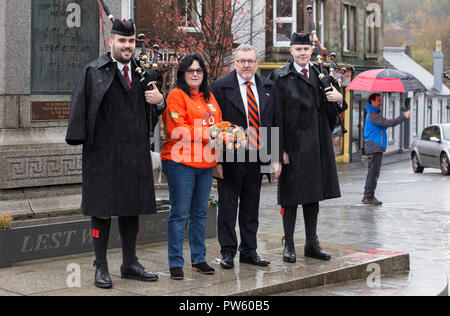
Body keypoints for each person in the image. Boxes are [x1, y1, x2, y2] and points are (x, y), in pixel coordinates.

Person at [65, 19, 165, 289]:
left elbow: (152, 112)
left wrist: (161, 103)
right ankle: (101, 265)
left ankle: (130, 263)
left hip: (134, 152)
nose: (127, 46)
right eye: (122, 41)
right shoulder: (93, 71)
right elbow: (80, 108)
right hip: (103, 155)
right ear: (111, 42)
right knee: (103, 210)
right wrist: (81, 141)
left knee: (131, 208)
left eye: (131, 41)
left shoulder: (144, 73)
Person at [269, 32, 346, 263]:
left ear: (311, 51)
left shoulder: (322, 75)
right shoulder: (280, 76)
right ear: (291, 51)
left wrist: (339, 99)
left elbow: (337, 110)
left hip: (317, 145)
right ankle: (289, 244)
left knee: (313, 196)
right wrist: (278, 149)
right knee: (290, 197)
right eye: (298, 49)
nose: (302, 53)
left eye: (306, 49)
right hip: (292, 148)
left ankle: (312, 243)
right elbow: (274, 116)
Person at [210, 44, 283, 270]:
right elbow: (214, 128)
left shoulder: (269, 87)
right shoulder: (220, 87)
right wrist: (216, 161)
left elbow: (275, 123)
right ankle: (228, 251)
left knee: (252, 206)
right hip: (231, 158)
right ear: (234, 63)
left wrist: (275, 157)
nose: (246, 65)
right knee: (228, 207)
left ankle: (249, 251)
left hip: (258, 156)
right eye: (242, 61)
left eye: (250, 61)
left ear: (257, 63)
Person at [160, 54, 223, 280]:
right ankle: (176, 262)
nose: (195, 74)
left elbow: (219, 127)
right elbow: (178, 130)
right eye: (190, 71)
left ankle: (198, 259)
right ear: (183, 74)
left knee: (200, 213)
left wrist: (218, 157)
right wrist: (209, 133)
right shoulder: (176, 95)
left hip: (205, 163)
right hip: (180, 163)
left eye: (199, 71)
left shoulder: (210, 98)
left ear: (204, 74)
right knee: (180, 213)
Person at [362, 93, 411, 205]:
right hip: (374, 147)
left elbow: (385, 124)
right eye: (379, 100)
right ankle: (369, 196)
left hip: (375, 147)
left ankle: (367, 195)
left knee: (372, 172)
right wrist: (404, 116)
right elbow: (389, 123)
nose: (381, 102)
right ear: (372, 101)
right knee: (373, 173)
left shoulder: (373, 114)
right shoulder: (373, 115)